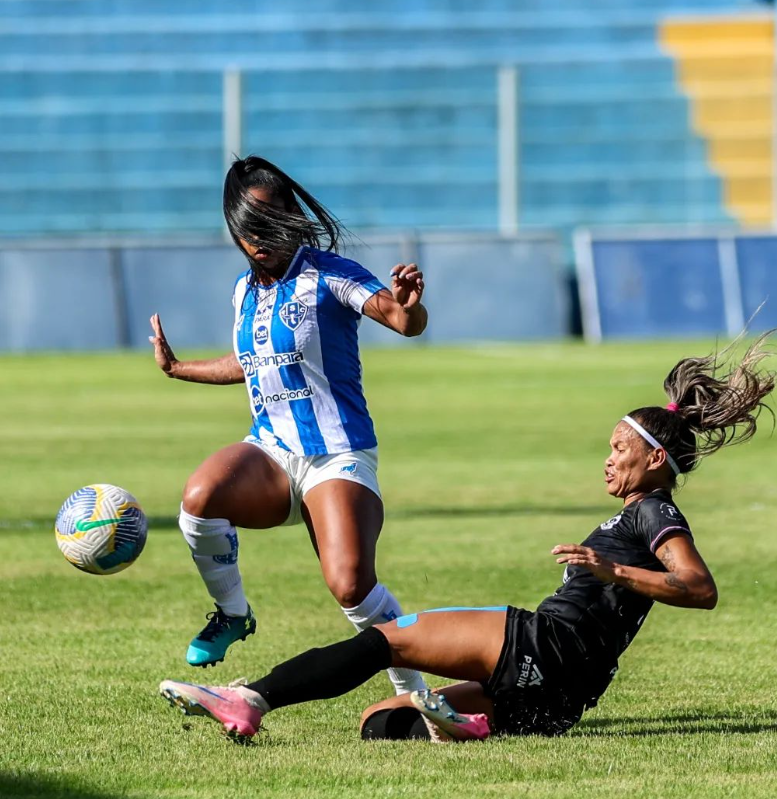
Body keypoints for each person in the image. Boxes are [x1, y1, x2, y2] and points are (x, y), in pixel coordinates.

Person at [159, 335, 774, 741]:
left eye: (620, 449)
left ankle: (251, 700)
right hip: (563, 697)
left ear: (657, 460)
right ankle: (467, 728)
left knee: (383, 642)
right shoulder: (635, 515)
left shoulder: (653, 514)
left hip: (543, 643)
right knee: (381, 725)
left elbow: (700, 588)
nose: (608, 460)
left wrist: (613, 573)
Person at [149, 155, 427, 696]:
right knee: (200, 497)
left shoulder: (330, 273)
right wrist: (180, 369)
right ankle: (232, 613)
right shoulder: (243, 292)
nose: (260, 239)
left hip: (336, 455)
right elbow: (251, 363)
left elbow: (400, 319)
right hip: (272, 453)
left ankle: (417, 695)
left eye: (271, 224)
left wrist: (411, 307)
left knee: (351, 587)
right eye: (248, 229)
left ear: (293, 220)